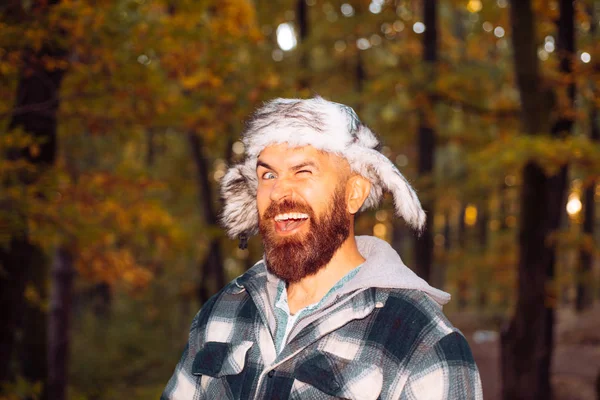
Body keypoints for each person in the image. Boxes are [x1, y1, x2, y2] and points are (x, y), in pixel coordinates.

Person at [162, 97, 483, 399]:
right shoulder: (222, 312)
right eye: (268, 174)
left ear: (354, 193)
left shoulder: (424, 342)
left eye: (303, 171)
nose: (277, 191)